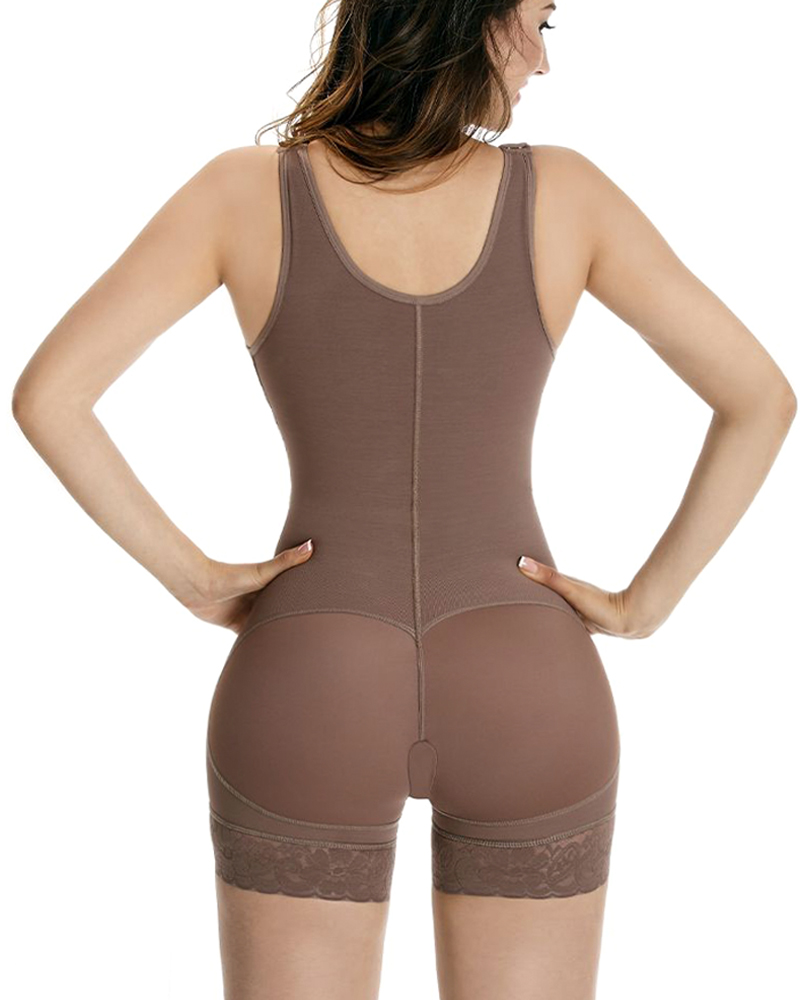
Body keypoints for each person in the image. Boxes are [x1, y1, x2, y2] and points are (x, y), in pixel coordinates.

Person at [11, 0, 796, 997]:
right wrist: (645, 604)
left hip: (310, 671)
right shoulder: (566, 195)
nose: (542, 63)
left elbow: (50, 396)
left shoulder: (242, 193)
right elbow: (760, 397)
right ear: (465, 17)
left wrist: (194, 579)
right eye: (540, 24)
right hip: (527, 673)